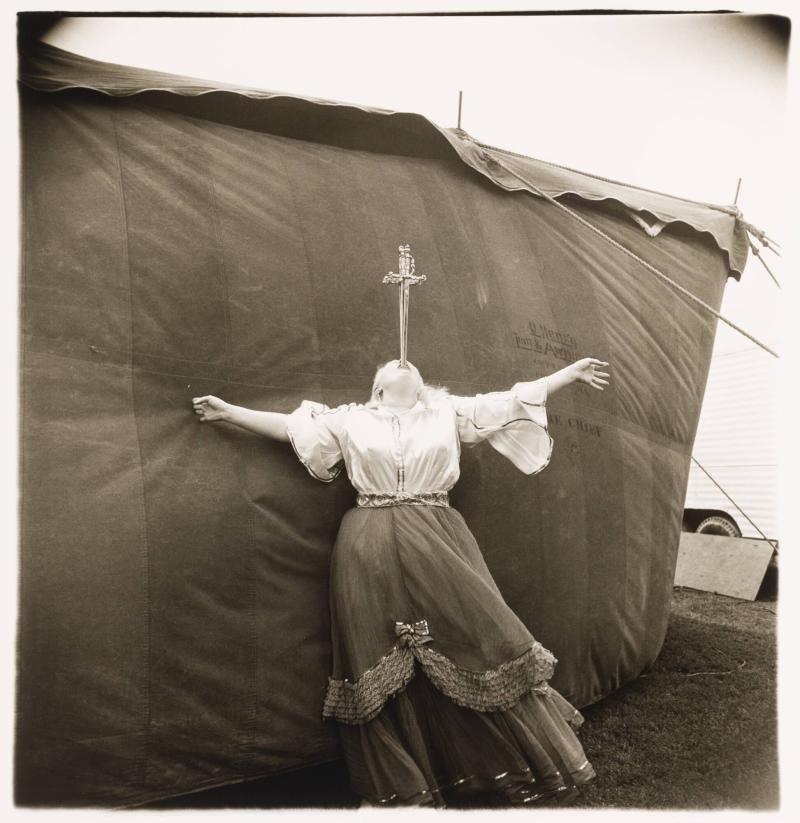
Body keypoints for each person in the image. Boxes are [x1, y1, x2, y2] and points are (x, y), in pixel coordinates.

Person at [191, 355, 610, 808]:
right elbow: (291, 428)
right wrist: (229, 412)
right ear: (377, 388)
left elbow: (511, 401)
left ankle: (493, 763)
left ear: (420, 384)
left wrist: (567, 375)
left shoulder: (448, 413)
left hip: (438, 536)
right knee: (374, 649)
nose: (402, 360)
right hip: (368, 540)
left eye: (410, 365)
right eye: (392, 365)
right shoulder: (350, 420)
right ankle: (398, 784)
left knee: (473, 634)